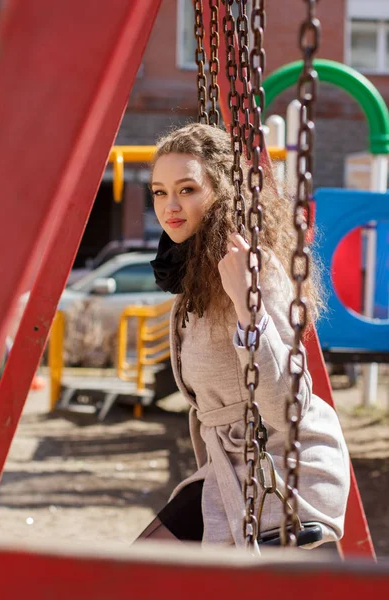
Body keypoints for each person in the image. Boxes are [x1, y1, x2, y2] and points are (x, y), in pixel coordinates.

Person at [137, 123, 350, 548]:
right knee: (136, 572)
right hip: (229, 467)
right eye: (160, 192)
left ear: (220, 191)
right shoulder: (196, 275)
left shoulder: (253, 268)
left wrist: (248, 308)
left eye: (187, 189)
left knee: (141, 574)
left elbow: (287, 403)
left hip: (286, 471)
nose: (170, 206)